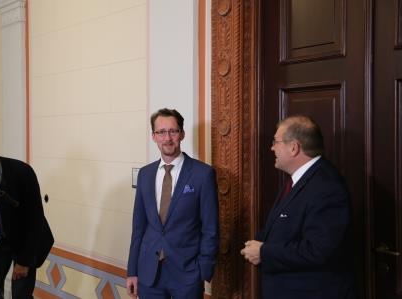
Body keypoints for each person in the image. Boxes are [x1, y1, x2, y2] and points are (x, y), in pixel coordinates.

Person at [240, 115, 355, 299]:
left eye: (275, 142)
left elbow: (317, 250)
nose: (271, 148)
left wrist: (264, 252)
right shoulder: (299, 179)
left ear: (293, 147)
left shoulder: (327, 187)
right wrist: (257, 245)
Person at [126, 108, 219, 299]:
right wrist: (132, 271)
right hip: (149, 275)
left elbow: (211, 229)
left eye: (173, 131)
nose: (167, 138)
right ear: (153, 136)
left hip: (187, 275)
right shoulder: (145, 174)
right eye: (161, 132)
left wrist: (202, 271)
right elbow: (138, 227)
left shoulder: (202, 174)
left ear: (182, 134)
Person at [0, 144, 54, 299]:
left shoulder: (21, 172)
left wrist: (24, 262)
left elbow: (35, 220)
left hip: (25, 242)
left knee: (21, 295)